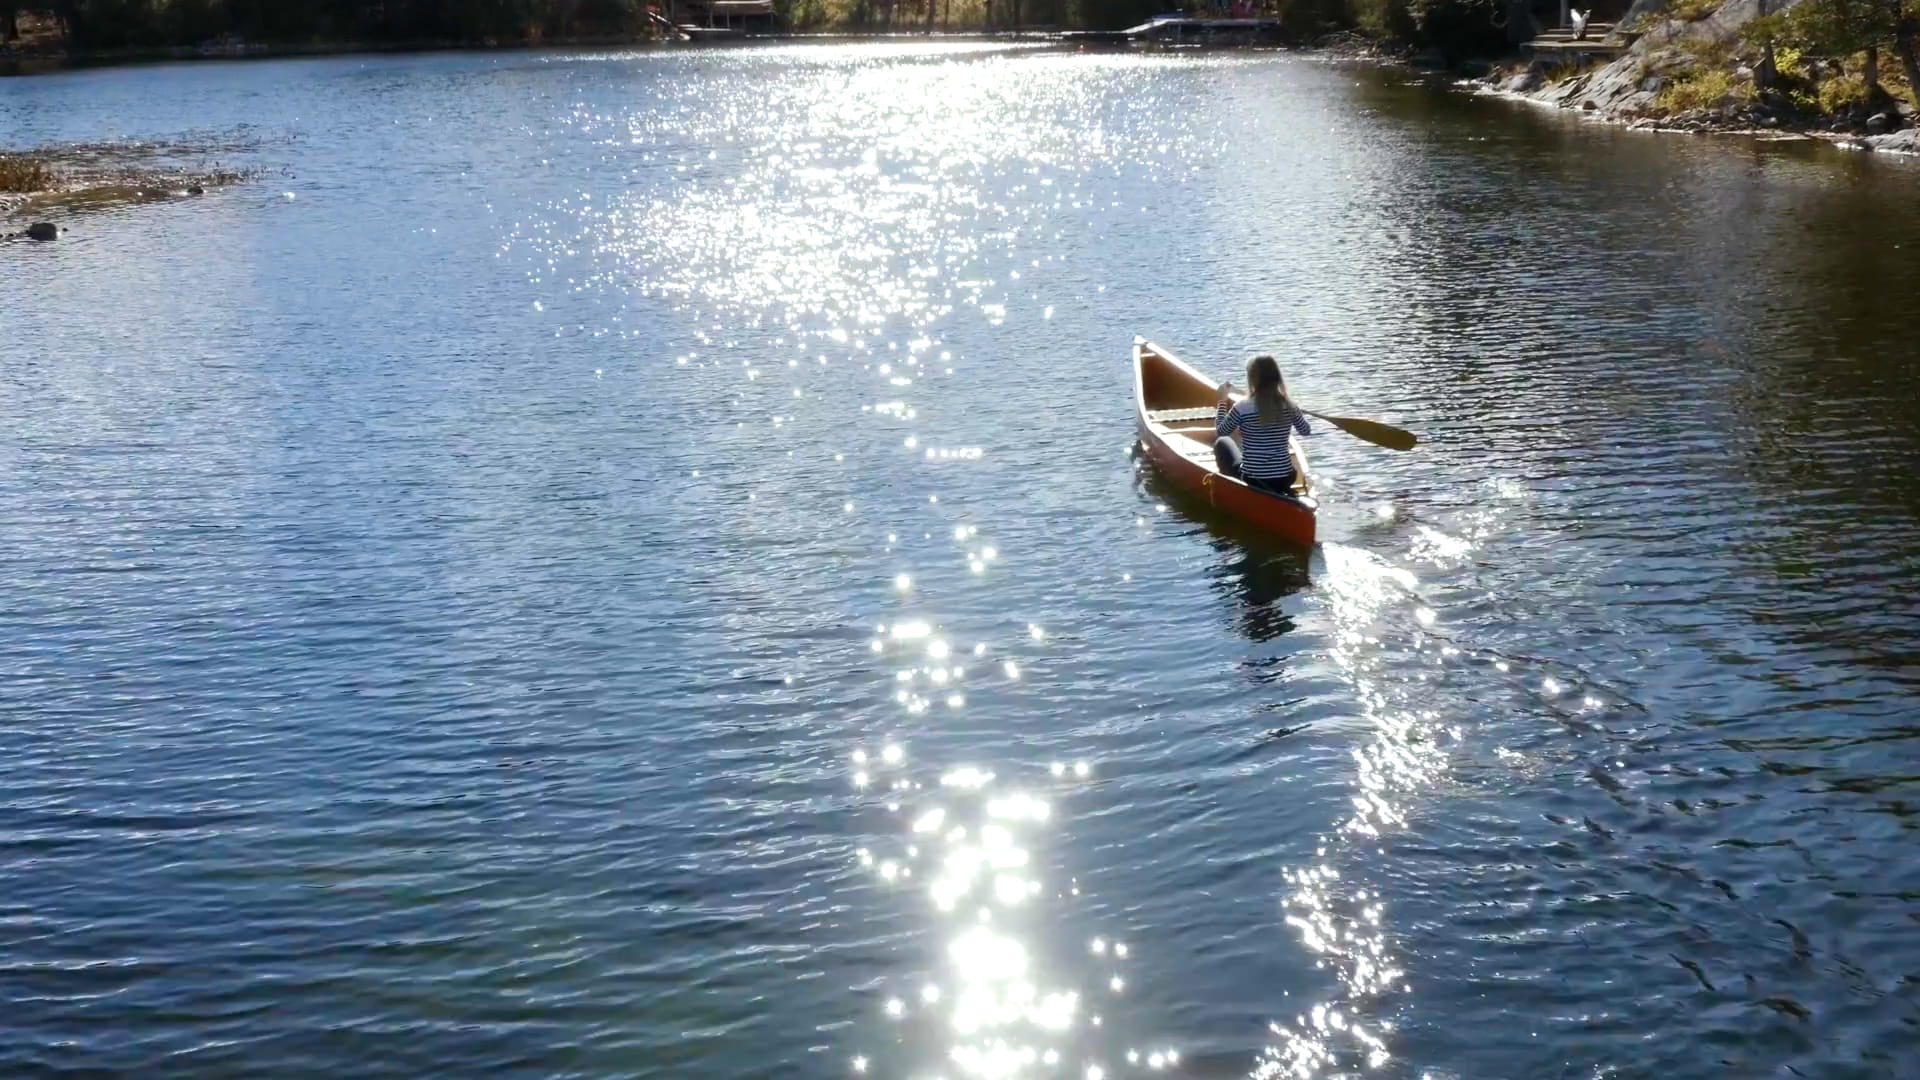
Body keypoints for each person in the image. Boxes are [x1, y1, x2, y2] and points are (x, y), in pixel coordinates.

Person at [1214, 354, 1311, 497]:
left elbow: (1221, 431)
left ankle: (1231, 493)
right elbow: (1305, 431)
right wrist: (1295, 411)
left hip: (1254, 479)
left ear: (1252, 379)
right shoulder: (1289, 405)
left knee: (1222, 442)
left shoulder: (1242, 407)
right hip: (1286, 478)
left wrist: (1222, 402)